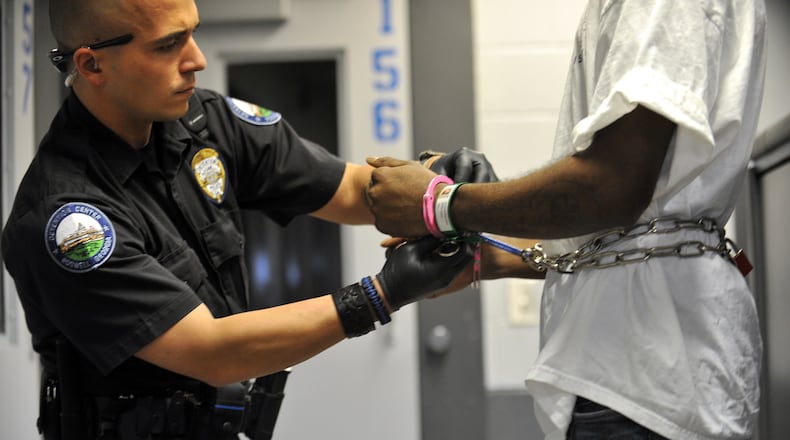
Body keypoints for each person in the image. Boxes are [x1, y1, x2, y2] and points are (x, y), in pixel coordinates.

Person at [0, 1, 497, 439]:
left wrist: (439, 189)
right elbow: (211, 352)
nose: (196, 59)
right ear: (93, 64)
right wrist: (378, 296)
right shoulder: (67, 218)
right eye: (169, 44)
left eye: (192, 32)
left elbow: (347, 189)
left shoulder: (203, 121)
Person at [365, 0, 766, 439]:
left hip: (644, 374)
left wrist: (440, 204)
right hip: (640, 365)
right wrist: (493, 258)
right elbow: (628, 228)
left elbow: (614, 185)